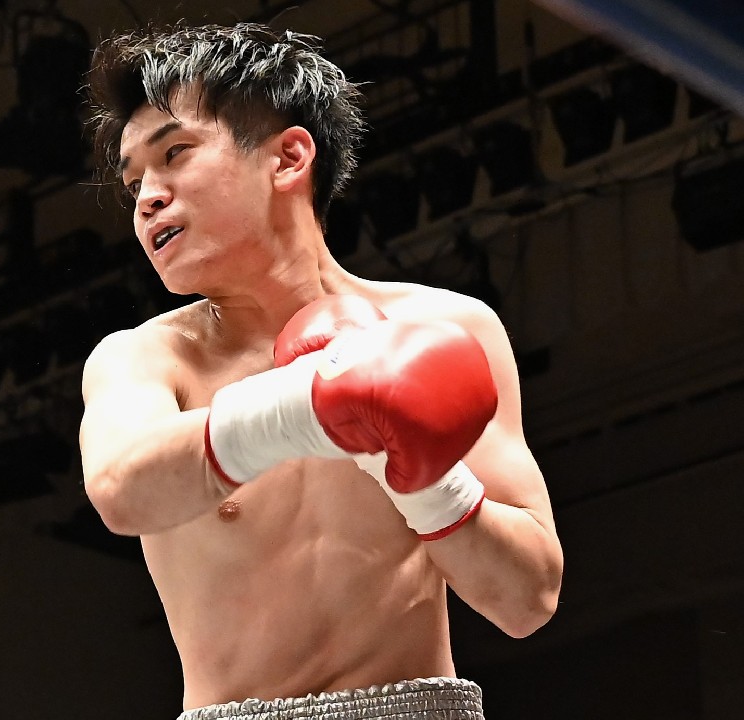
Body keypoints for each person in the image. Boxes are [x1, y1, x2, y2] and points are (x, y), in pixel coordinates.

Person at [80, 22, 563, 720]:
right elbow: (121, 492)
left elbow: (528, 600)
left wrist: (423, 479)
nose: (148, 197)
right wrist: (311, 406)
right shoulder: (147, 357)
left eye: (175, 153)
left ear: (287, 158)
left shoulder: (446, 327)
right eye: (134, 184)